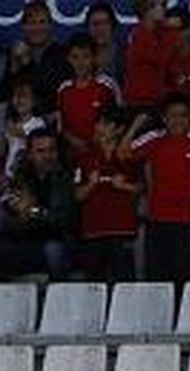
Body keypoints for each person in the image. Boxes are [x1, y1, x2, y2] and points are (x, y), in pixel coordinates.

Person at [132, 94, 190, 284]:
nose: (178, 120)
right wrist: (136, 126)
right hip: (157, 218)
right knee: (156, 278)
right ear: (164, 118)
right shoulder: (153, 139)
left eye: (183, 115)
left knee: (188, 278)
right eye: (173, 115)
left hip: (188, 218)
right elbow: (123, 152)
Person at [0, 126, 74, 282]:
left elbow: (61, 220)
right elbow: (2, 224)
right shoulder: (20, 178)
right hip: (20, 244)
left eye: (51, 150)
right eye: (40, 151)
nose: (47, 156)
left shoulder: (63, 179)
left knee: (55, 251)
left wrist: (32, 210)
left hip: (49, 243)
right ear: (30, 154)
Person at [75, 106, 141, 284]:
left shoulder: (130, 155)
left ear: (119, 129)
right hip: (93, 231)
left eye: (106, 124)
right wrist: (91, 184)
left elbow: (143, 189)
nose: (99, 127)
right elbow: (78, 196)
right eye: (98, 123)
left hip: (122, 230)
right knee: (93, 288)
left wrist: (125, 185)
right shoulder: (86, 156)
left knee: (125, 287)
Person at [0, 2, 72, 114]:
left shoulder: (62, 54)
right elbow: (1, 96)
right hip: (19, 123)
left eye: (42, 22)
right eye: (32, 23)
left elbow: (51, 95)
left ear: (50, 26)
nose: (37, 28)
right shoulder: (16, 54)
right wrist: (13, 68)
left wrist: (29, 64)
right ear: (23, 27)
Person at [56, 32, 120, 158]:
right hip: (73, 155)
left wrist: (99, 138)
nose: (81, 63)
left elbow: (119, 119)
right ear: (68, 59)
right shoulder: (63, 89)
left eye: (86, 57)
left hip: (102, 153)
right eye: (75, 57)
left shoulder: (107, 85)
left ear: (95, 58)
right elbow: (61, 125)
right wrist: (74, 140)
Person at [120, 0, 177, 119]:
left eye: (163, 5)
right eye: (156, 5)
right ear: (145, 9)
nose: (162, 9)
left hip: (157, 101)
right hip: (138, 104)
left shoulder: (159, 33)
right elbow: (161, 58)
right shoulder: (138, 36)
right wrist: (170, 30)